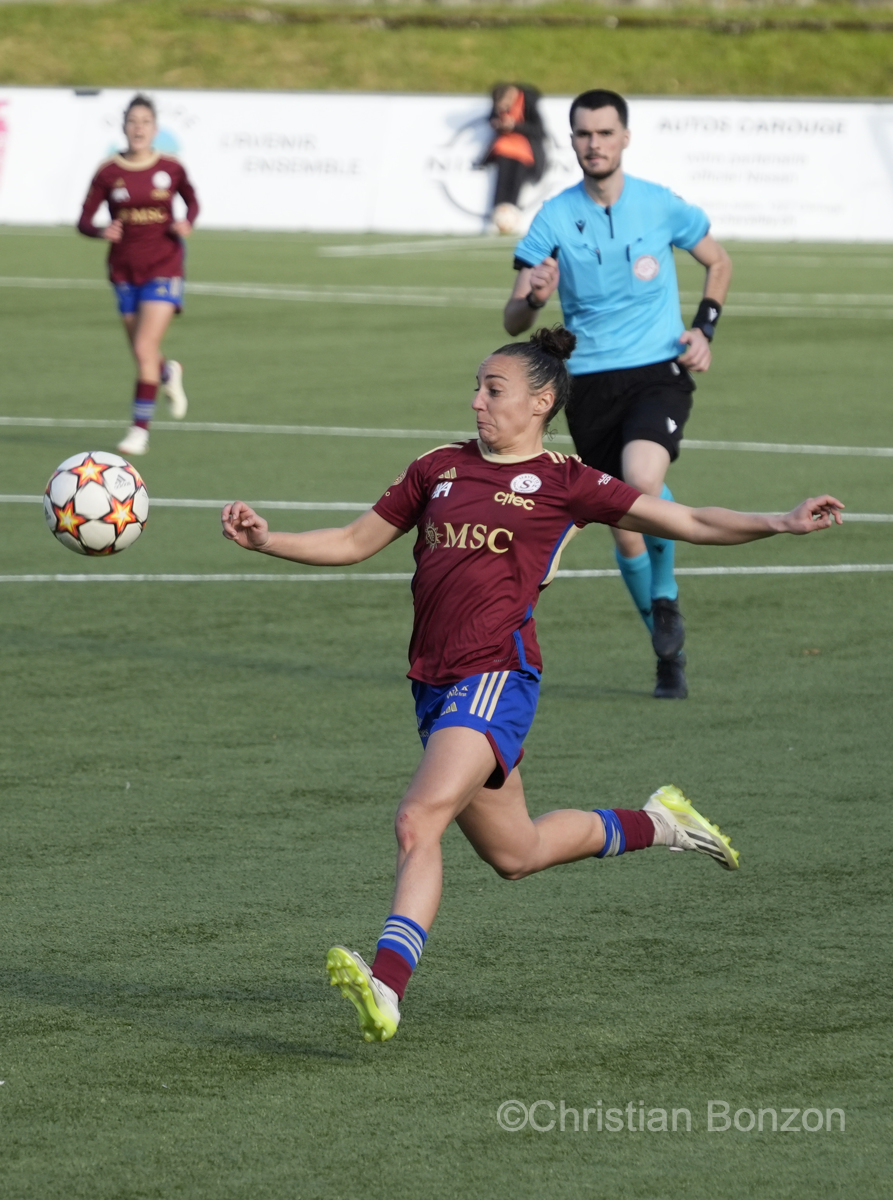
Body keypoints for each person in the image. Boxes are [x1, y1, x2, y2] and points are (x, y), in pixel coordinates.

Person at [221, 327, 842, 1043]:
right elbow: (356, 541)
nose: (476, 401)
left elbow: (688, 518)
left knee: (417, 819)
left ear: (541, 401)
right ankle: (661, 822)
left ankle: (387, 987)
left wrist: (780, 521)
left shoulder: (564, 480)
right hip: (433, 682)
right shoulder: (437, 467)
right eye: (477, 388)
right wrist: (270, 540)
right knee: (515, 853)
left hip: (495, 674)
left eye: (493, 390)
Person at [504, 89, 733, 700]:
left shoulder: (660, 205)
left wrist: (703, 329)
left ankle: (664, 596)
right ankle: (668, 648)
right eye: (583, 134)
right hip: (589, 385)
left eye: (605, 133)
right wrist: (532, 297)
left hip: (658, 370)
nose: (594, 144)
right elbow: (512, 323)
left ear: (625, 137)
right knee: (626, 524)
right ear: (572, 140)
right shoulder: (553, 216)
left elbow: (719, 261)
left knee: (639, 478)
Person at [77, 93, 199, 456]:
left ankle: (138, 431)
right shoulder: (108, 172)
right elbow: (83, 219)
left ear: (155, 128)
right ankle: (167, 372)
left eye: (145, 122)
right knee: (142, 352)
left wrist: (186, 222)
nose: (138, 128)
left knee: (145, 347)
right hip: (124, 270)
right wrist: (101, 230)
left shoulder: (171, 167)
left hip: (164, 265)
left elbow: (192, 201)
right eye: (132, 121)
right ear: (124, 127)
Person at [477, 83, 546, 235]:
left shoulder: (528, 102)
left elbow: (539, 131)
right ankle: (496, 222)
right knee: (500, 189)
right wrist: (497, 123)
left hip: (524, 152)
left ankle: (512, 223)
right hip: (503, 149)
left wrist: (515, 126)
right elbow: (492, 117)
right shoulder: (499, 100)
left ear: (511, 96)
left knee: (515, 189)